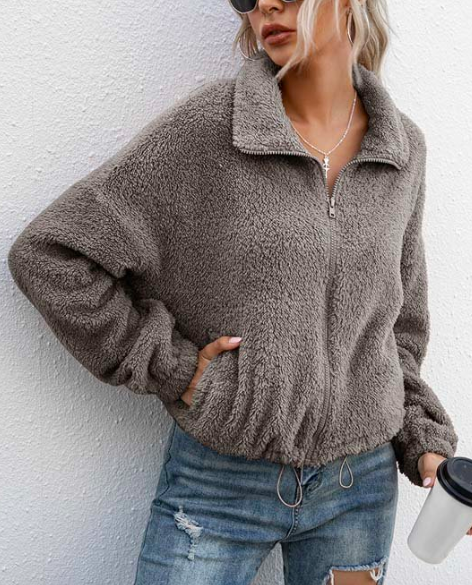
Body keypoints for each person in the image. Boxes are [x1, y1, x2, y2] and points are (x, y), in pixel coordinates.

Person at [7, 0, 467, 583]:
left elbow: (397, 329)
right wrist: (176, 370)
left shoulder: (402, 150)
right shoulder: (210, 130)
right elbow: (51, 254)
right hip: (219, 483)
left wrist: (425, 442)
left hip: (358, 490)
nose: (266, 5)